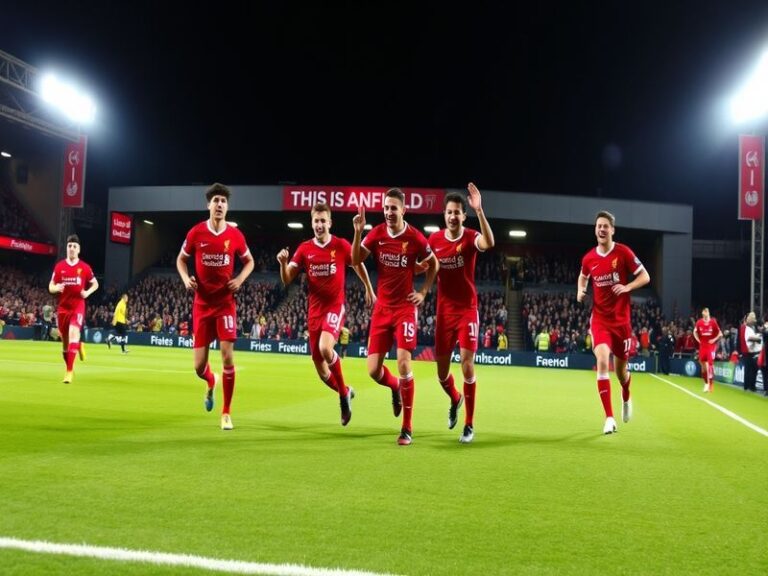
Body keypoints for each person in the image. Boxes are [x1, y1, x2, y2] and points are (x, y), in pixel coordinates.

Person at [352, 187, 439, 445]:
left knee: (403, 363)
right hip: (381, 309)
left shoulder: (415, 238)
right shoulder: (376, 233)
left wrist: (423, 291)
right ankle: (395, 387)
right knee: (372, 371)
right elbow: (355, 259)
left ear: (403, 209)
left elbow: (433, 263)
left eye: (394, 208)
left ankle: (407, 427)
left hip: (404, 310)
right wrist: (358, 232)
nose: (389, 212)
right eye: (386, 207)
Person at [276, 202, 375, 426]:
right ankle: (346, 390)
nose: (319, 225)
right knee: (321, 371)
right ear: (312, 223)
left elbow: (358, 263)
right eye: (316, 221)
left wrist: (369, 288)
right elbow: (286, 279)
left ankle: (342, 398)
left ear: (329, 223)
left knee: (325, 348)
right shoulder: (304, 249)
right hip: (314, 311)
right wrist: (283, 264)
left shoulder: (340, 245)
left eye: (323, 221)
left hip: (334, 306)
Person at [176, 183, 255, 430]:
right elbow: (181, 259)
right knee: (199, 367)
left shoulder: (235, 236)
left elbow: (250, 262)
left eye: (223, 201)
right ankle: (211, 381)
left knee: (227, 356)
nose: (220, 204)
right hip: (201, 305)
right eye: (216, 200)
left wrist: (240, 280)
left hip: (224, 305)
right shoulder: (196, 233)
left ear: (227, 207)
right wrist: (185, 278)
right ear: (208, 205)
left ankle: (226, 413)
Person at [426, 183, 495, 443]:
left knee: (467, 364)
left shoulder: (469, 237)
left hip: (467, 310)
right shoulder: (434, 240)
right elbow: (424, 266)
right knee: (442, 374)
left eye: (458, 212)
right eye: (449, 212)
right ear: (444, 215)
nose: (453, 216)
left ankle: (469, 425)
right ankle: (455, 398)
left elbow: (489, 242)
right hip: (444, 313)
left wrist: (480, 211)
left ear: (463, 216)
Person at [577, 211, 650, 434]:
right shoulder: (589, 258)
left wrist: (627, 287)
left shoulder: (623, 252)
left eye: (605, 226)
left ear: (612, 230)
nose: (601, 229)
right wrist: (581, 289)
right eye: (598, 226)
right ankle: (609, 417)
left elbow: (645, 276)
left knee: (620, 372)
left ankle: (626, 394)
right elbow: (583, 276)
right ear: (595, 229)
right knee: (601, 361)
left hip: (621, 322)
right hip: (599, 319)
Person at [48, 234, 99, 383]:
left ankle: (69, 372)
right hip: (63, 307)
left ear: (79, 250)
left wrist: (87, 292)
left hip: (78, 306)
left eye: (74, 246)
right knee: (65, 342)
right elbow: (50, 286)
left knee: (73, 333)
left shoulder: (84, 267)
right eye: (69, 246)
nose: (71, 248)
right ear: (67, 248)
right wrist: (55, 287)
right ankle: (78, 346)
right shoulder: (59, 267)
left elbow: (95, 284)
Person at [693, 307, 722, 393]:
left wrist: (714, 340)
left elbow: (720, 334)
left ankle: (711, 384)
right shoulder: (699, 322)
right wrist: (698, 340)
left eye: (705, 314)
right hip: (703, 346)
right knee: (702, 364)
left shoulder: (713, 322)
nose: (703, 315)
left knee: (710, 364)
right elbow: (694, 332)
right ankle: (706, 383)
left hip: (711, 346)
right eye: (702, 314)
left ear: (708, 313)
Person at [740, 311, 761, 392]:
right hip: (749, 352)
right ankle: (749, 386)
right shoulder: (747, 329)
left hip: (748, 352)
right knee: (751, 370)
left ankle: (748, 386)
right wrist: (758, 338)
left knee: (750, 369)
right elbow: (749, 339)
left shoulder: (746, 328)